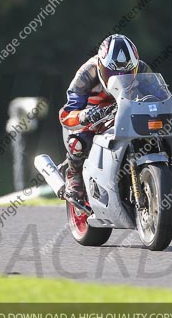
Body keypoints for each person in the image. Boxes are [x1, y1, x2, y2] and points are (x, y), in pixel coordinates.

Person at [58, 34, 152, 202]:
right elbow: (65, 115)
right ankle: (74, 176)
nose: (119, 78)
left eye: (127, 73)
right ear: (101, 65)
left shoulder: (142, 69)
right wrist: (84, 115)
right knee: (77, 144)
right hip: (93, 120)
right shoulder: (86, 73)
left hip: (126, 114)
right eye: (112, 72)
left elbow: (158, 96)